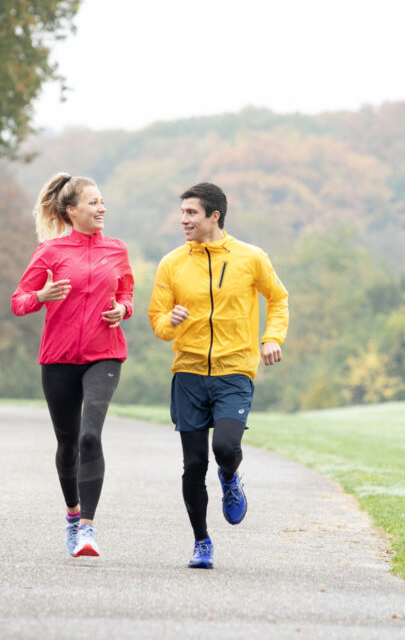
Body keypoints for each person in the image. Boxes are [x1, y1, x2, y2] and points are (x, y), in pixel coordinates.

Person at [148, 182, 289, 569]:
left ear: (215, 216)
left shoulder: (251, 258)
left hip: (234, 371)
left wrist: (271, 338)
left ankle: (231, 477)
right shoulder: (172, 263)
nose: (183, 220)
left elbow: (278, 298)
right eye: (182, 213)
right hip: (189, 373)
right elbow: (157, 321)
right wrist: (170, 321)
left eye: (191, 213)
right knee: (193, 466)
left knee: (225, 449)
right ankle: (202, 542)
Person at [11, 173, 134, 558]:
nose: (102, 208)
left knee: (89, 437)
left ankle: (87, 530)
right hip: (58, 357)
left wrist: (123, 309)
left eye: (102, 202)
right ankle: (72, 515)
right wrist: (41, 295)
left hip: (105, 353)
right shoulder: (49, 252)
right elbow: (19, 301)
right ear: (71, 211)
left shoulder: (117, 249)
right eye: (94, 202)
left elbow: (127, 292)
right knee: (67, 443)